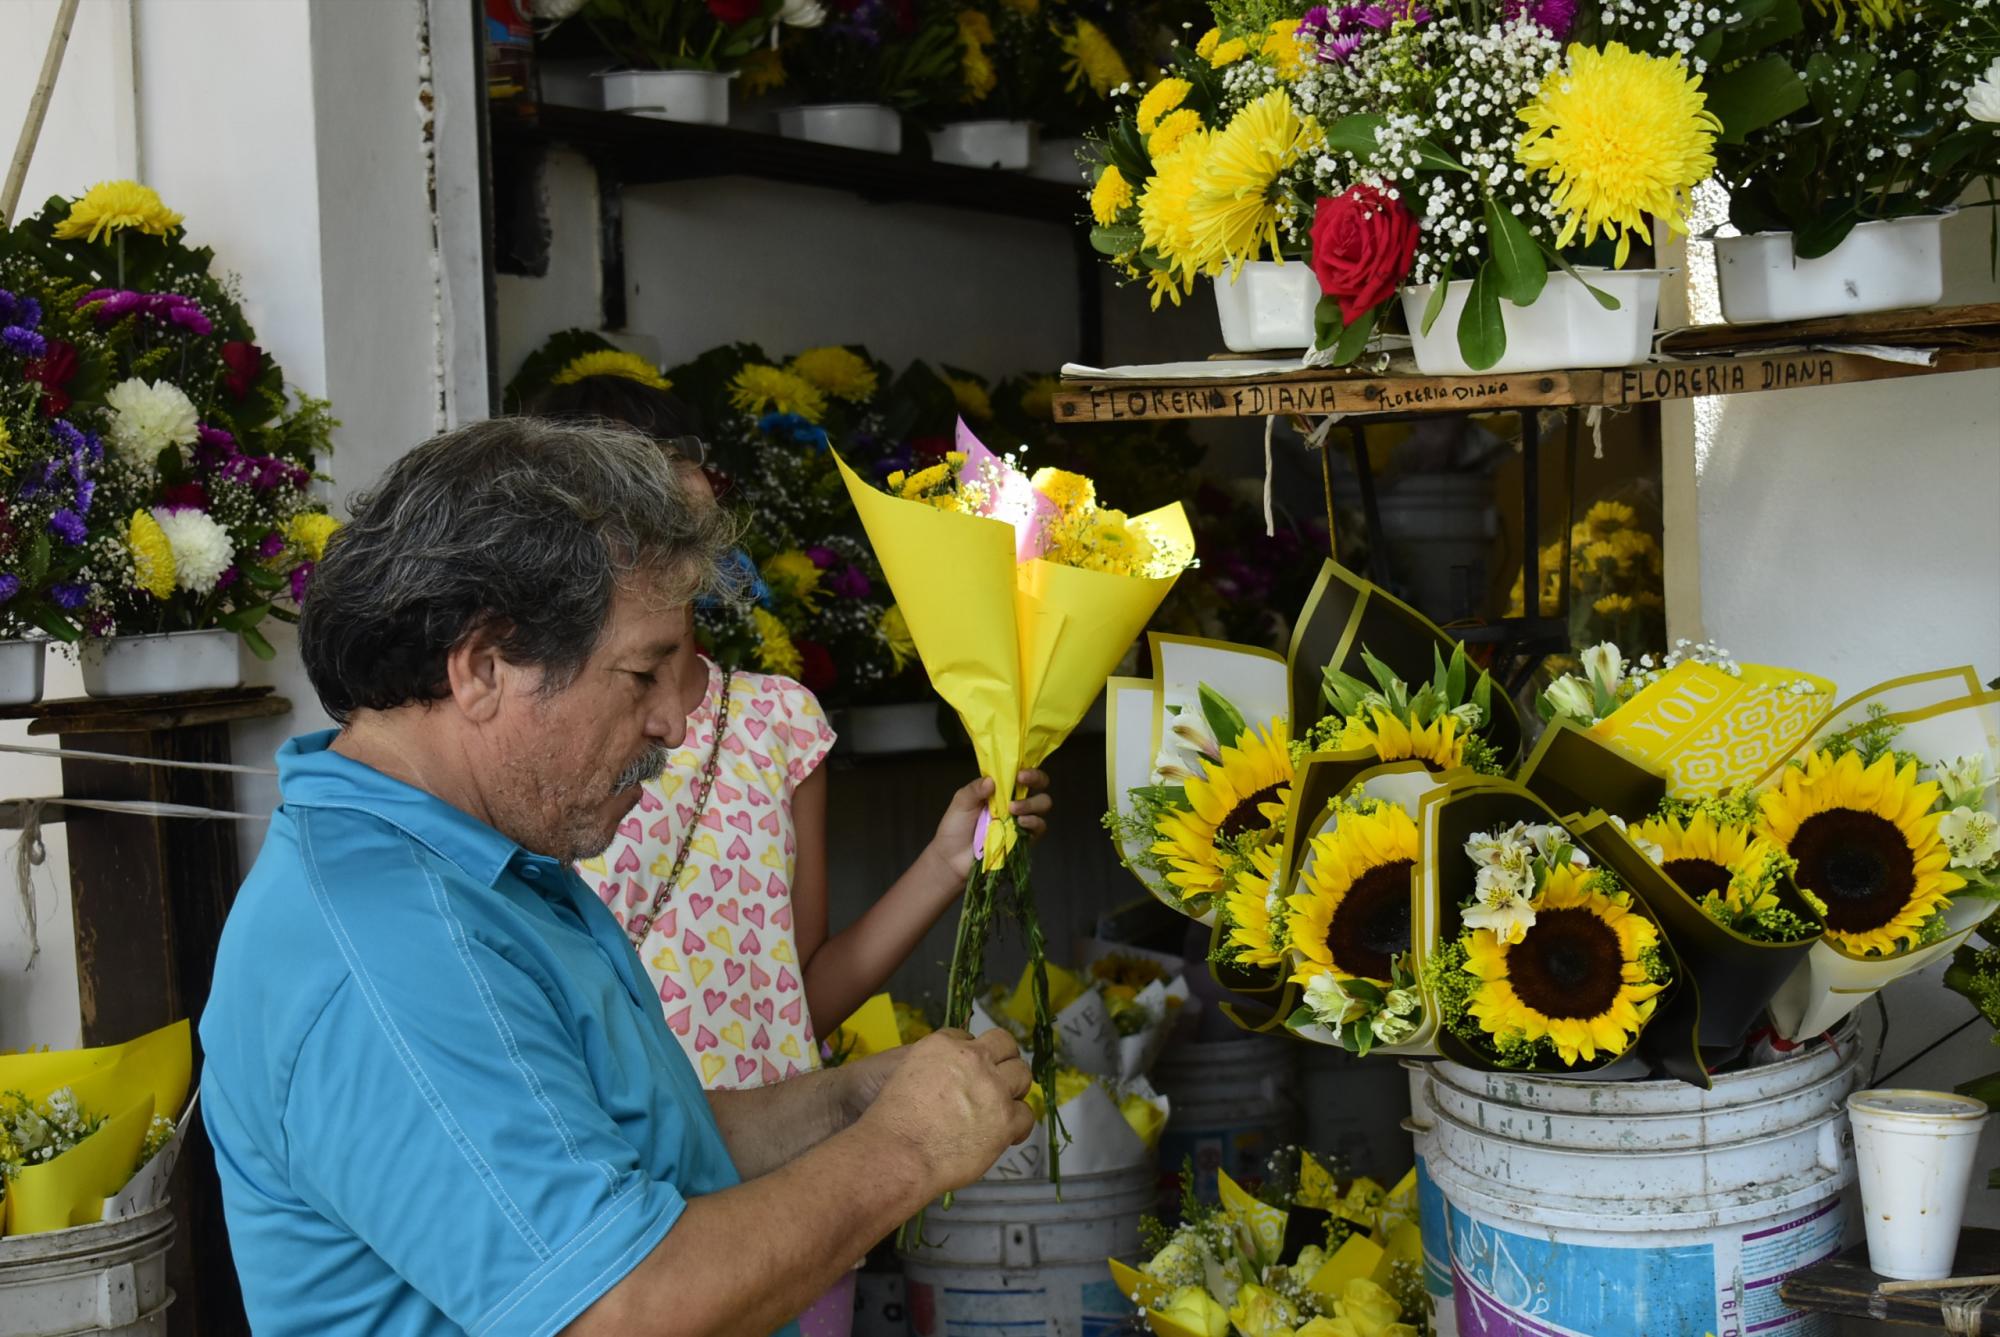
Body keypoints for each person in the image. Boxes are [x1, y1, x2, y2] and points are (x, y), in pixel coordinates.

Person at [199, 417, 1035, 1337]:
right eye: (642, 673)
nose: (678, 722)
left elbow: (641, 1145)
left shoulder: (481, 861)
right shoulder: (391, 942)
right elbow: (618, 1307)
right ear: (484, 667)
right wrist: (903, 1149)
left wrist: (848, 1100)